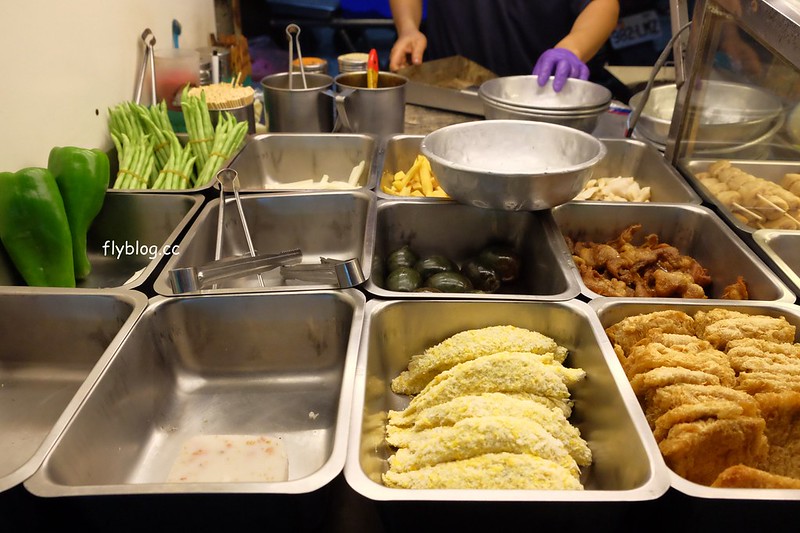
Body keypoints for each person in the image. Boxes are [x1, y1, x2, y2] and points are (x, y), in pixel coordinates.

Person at [388, 0, 620, 92]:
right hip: (449, 92)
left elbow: (603, 5)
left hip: (540, 95)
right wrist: (408, 28)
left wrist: (572, 49)